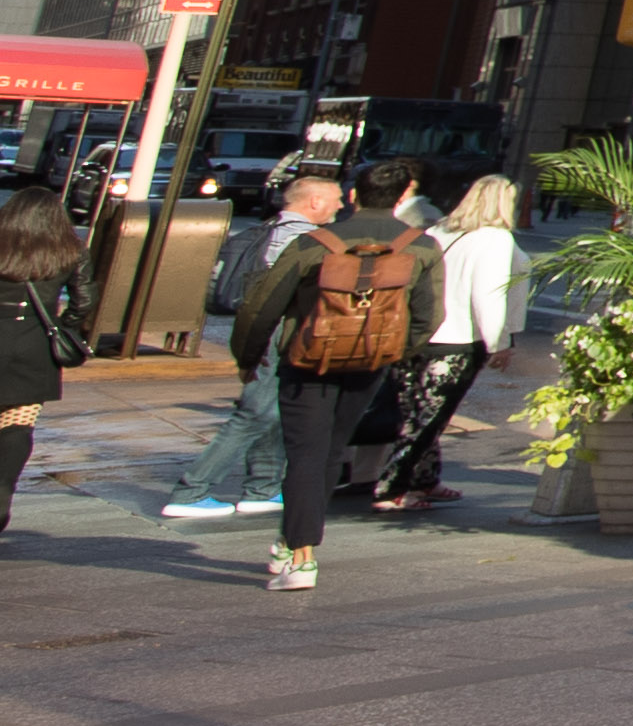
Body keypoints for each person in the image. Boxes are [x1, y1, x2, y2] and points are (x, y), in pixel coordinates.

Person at [231, 172, 437, 592]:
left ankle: (301, 555)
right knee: (330, 450)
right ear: (401, 198)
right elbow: (427, 317)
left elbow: (261, 306)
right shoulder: (421, 246)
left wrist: (249, 357)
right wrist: (396, 352)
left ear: (355, 196)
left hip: (307, 361)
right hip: (369, 364)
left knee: (305, 453)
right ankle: (293, 540)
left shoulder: (313, 243)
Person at [159, 165, 315, 524]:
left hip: (262, 335)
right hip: (278, 334)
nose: (340, 205)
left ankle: (262, 488)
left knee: (270, 410)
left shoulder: (266, 231)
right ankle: (191, 491)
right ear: (315, 201)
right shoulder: (305, 240)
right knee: (253, 414)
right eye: (335, 200)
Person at [371, 176, 524, 510]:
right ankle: (392, 488)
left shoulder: (438, 231)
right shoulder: (495, 239)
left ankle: (425, 479)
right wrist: (499, 341)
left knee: (417, 413)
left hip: (417, 335)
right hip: (458, 338)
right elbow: (489, 294)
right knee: (428, 419)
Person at [0, 186, 87, 539]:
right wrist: (61, 328)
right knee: (17, 426)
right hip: (34, 349)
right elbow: (84, 302)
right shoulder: (70, 250)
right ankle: (3, 494)